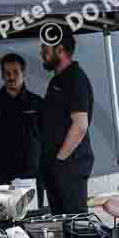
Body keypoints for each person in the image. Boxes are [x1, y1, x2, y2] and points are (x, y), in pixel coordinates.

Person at [39, 25, 95, 215]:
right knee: (61, 225)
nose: (41, 53)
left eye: (45, 49)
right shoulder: (57, 80)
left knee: (75, 223)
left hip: (70, 164)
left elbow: (80, 125)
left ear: (60, 50)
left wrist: (60, 160)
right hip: (58, 164)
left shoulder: (75, 79)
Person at [0, 53, 44, 187]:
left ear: (23, 73)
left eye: (15, 72)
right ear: (2, 75)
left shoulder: (37, 103)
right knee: (3, 208)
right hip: (2, 175)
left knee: (33, 208)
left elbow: (47, 137)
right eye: (7, 73)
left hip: (32, 173)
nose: (11, 76)